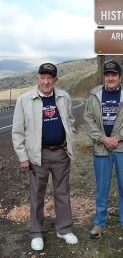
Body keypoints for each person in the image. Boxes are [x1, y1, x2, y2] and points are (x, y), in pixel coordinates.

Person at [12, 63, 78, 251]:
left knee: (62, 192)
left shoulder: (64, 97)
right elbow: (17, 132)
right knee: (37, 195)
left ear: (55, 80)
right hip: (36, 155)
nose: (46, 81)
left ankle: (64, 229)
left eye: (50, 78)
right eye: (43, 77)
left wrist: (69, 140)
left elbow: (70, 121)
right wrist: (23, 156)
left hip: (60, 153)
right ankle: (36, 233)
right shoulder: (24, 100)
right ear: (37, 79)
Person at [84, 60, 123, 239]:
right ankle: (99, 223)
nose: (110, 78)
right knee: (102, 187)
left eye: (114, 75)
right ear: (104, 77)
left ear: (120, 77)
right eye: (107, 75)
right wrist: (103, 139)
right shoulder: (94, 94)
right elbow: (88, 119)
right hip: (101, 148)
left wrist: (117, 137)